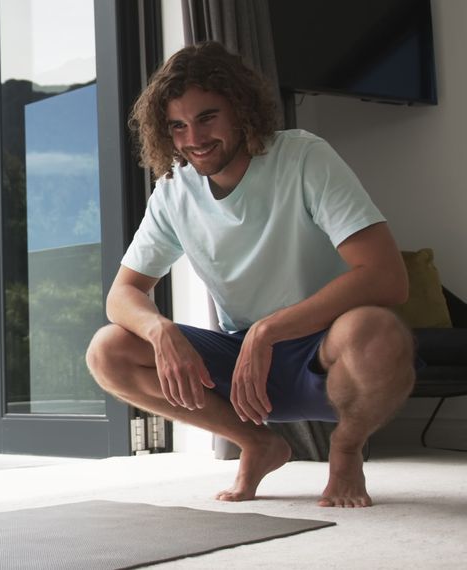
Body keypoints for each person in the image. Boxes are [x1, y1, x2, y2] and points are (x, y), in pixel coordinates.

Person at [85, 41, 416, 508]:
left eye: (207, 117)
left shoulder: (304, 157)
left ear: (241, 109)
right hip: (242, 366)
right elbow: (123, 294)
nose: (193, 138)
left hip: (327, 355)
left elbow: (386, 277)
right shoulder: (173, 192)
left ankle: (346, 450)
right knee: (108, 350)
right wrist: (159, 331)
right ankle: (258, 444)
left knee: (378, 331)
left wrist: (269, 330)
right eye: (177, 126)